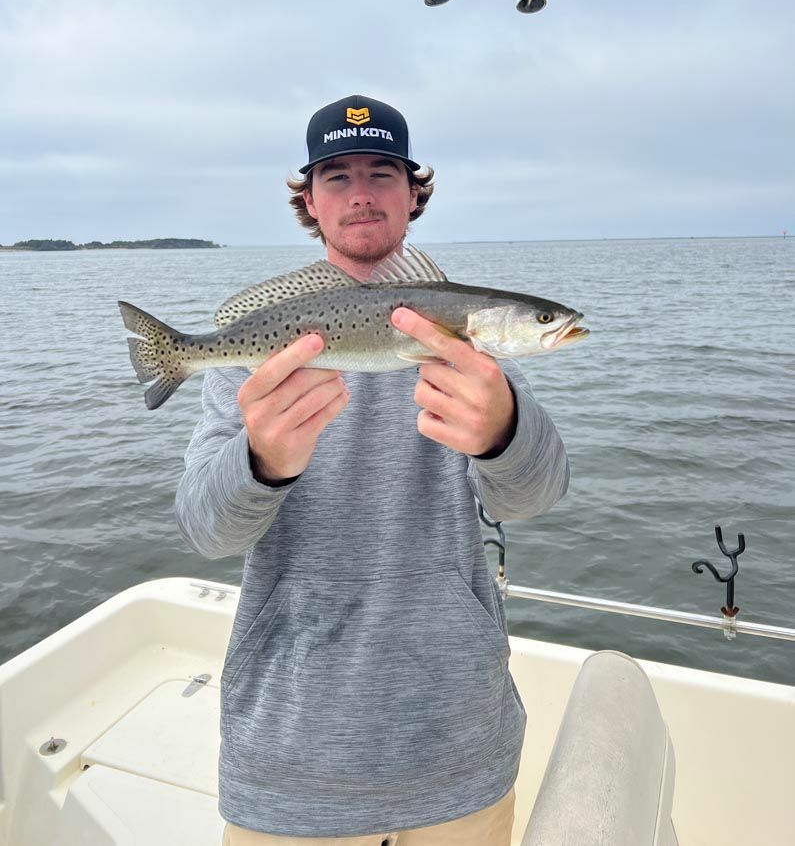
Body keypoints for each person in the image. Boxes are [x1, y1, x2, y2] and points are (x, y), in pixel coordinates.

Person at [175, 95, 571, 846]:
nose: (360, 194)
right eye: (337, 177)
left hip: (460, 743)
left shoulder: (472, 353)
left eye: (382, 173)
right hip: (289, 756)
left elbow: (534, 495)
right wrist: (260, 463)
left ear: (414, 192)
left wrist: (502, 433)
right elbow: (205, 531)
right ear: (310, 202)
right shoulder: (255, 354)